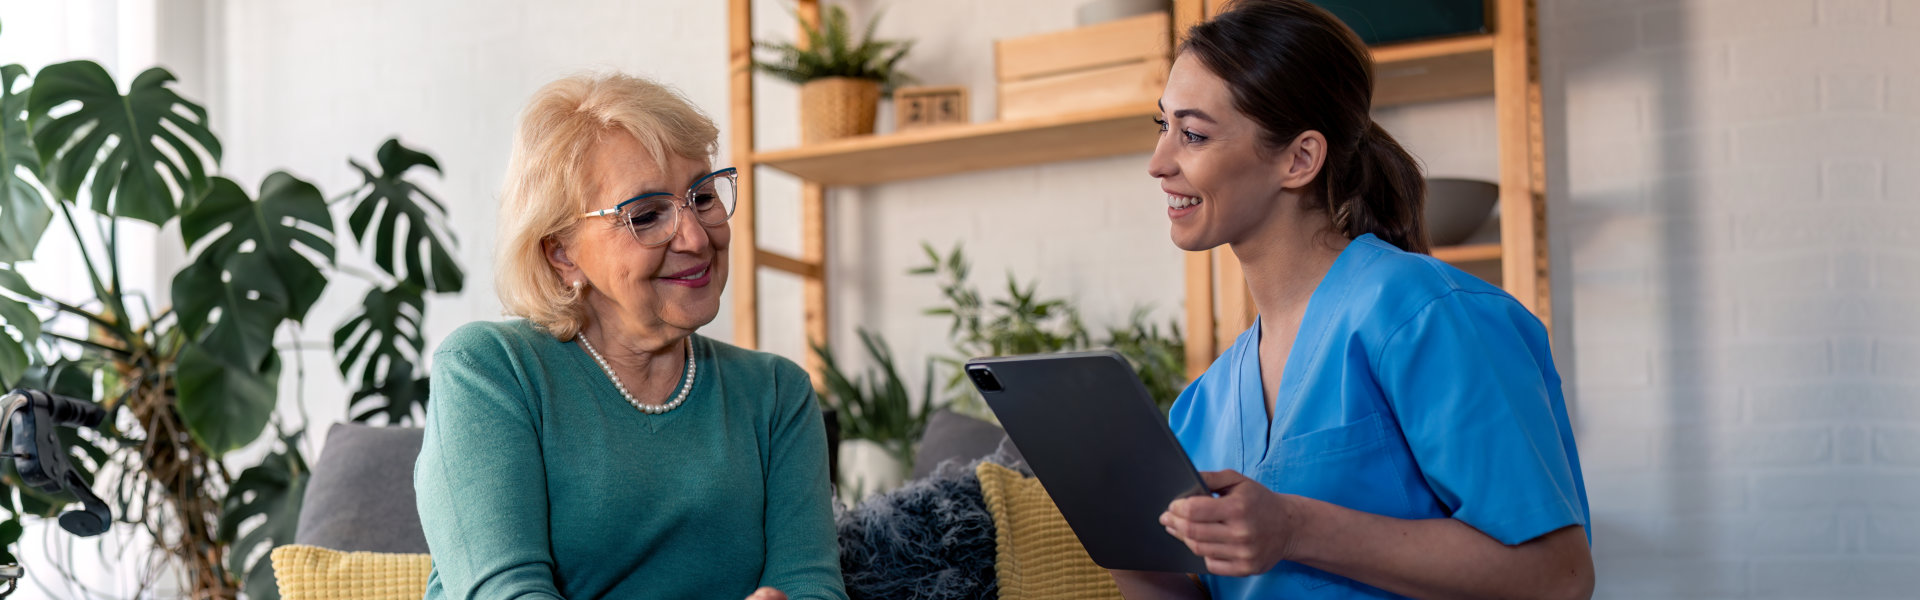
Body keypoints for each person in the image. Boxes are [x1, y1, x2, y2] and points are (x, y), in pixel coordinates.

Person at [1111, 1, 1593, 598]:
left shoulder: (1426, 315)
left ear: (1299, 159)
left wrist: (1293, 528)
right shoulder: (1201, 406)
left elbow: (1558, 577)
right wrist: (1127, 552)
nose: (1159, 163)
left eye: (1194, 134)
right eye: (1163, 127)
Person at [414, 72, 847, 600]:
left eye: (703, 196)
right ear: (562, 252)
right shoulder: (490, 369)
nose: (694, 237)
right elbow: (504, 592)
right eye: (646, 215)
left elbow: (812, 588)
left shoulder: (777, 394)